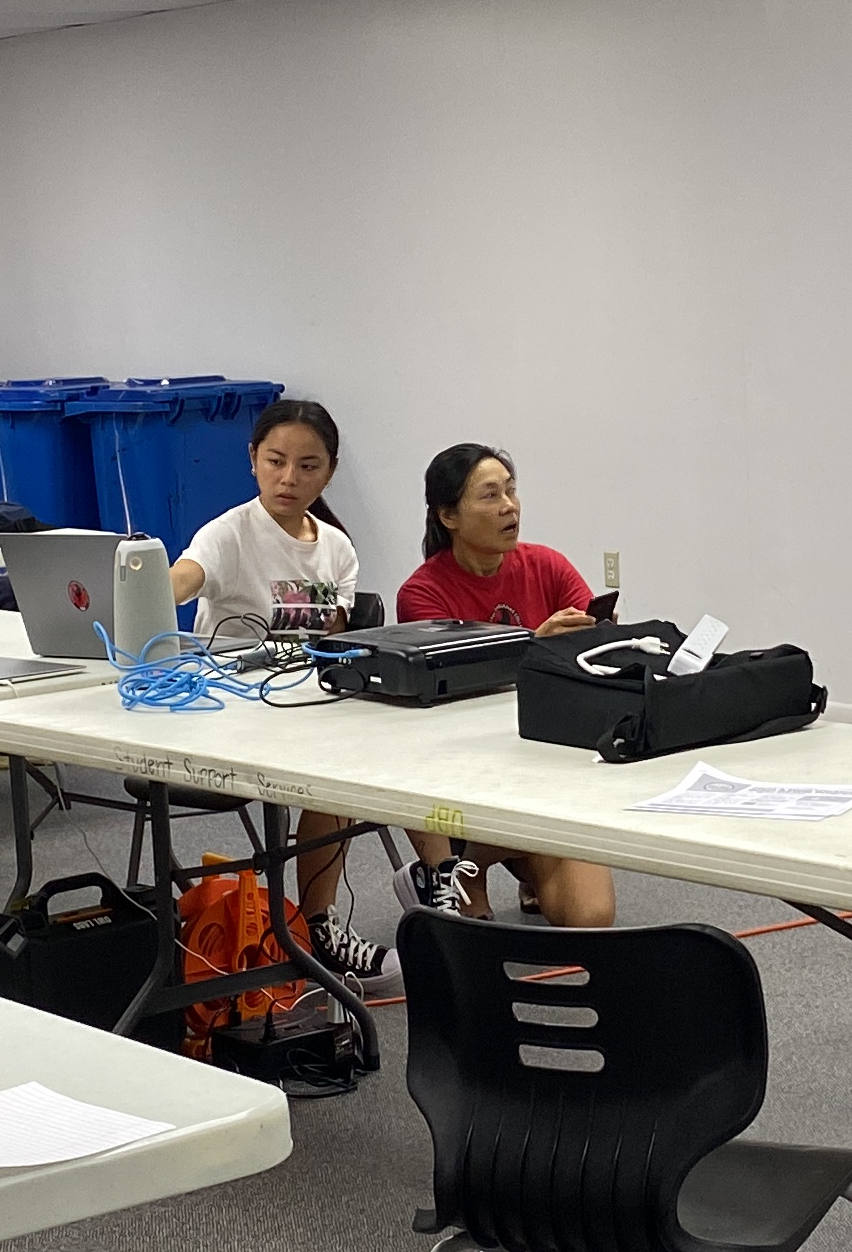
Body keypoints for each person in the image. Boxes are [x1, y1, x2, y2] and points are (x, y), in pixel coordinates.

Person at [168, 399, 385, 973]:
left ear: (330, 471)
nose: (290, 478)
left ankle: (317, 926)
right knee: (327, 770)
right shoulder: (228, 532)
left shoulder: (337, 548)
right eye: (276, 461)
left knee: (342, 769)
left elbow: (331, 628)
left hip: (303, 700)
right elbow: (185, 577)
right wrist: (147, 590)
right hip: (226, 703)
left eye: (309, 466)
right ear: (253, 460)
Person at [392, 445, 617, 930]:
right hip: (468, 767)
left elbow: (591, 649)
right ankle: (450, 865)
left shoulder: (547, 565)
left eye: (511, 491)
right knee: (475, 938)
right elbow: (454, 684)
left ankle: (517, 862)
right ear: (448, 515)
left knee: (590, 919)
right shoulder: (421, 593)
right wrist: (536, 646)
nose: (509, 506)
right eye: (490, 495)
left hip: (545, 762)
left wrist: (598, 634)